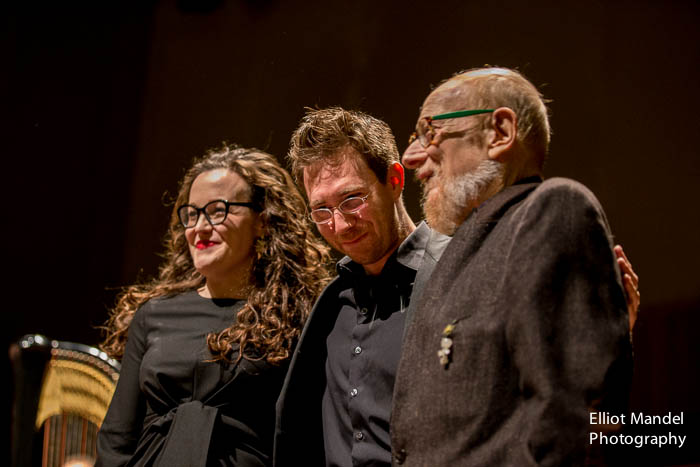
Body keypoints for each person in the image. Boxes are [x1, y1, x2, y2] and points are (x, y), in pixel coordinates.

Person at [274, 104, 638, 466]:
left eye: (352, 200)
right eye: (321, 211)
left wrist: (604, 339)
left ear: (395, 180)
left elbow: (544, 399)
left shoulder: (469, 271)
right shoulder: (330, 304)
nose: (338, 225)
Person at [392, 66, 633, 465]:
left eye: (429, 132)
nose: (411, 155)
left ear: (499, 133)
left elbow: (577, 420)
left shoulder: (553, 210)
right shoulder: (462, 252)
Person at [96, 145, 331, 466]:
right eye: (192, 214)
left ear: (262, 221)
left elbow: (308, 436)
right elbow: (117, 438)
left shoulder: (296, 315)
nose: (200, 227)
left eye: (218, 210)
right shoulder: (153, 315)